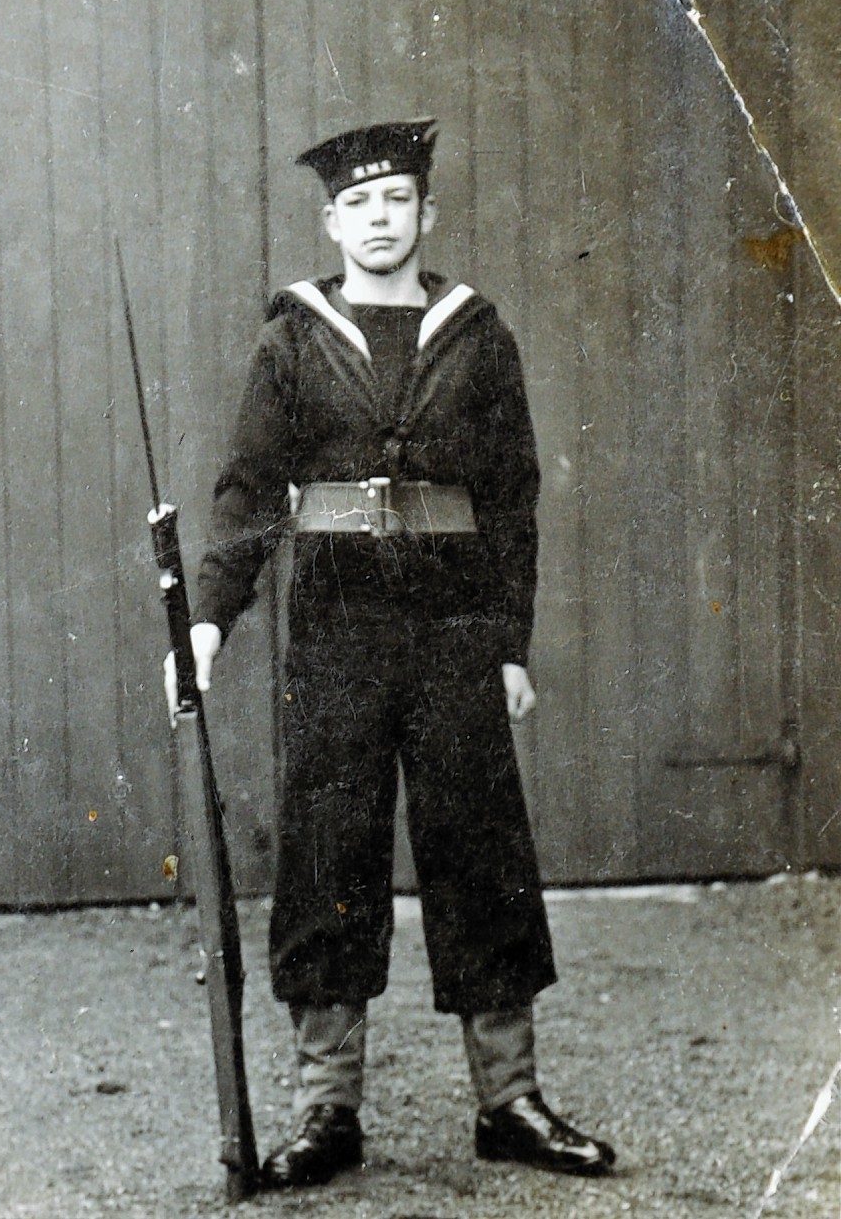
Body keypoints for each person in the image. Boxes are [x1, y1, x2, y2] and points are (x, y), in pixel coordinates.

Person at [179, 119, 615, 1188]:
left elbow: (513, 500)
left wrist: (509, 641)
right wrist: (207, 621)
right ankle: (327, 1110)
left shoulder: (478, 334)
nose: (380, 221)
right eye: (359, 206)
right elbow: (246, 490)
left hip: (456, 623)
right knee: (330, 849)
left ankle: (508, 1099)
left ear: (428, 214)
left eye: (398, 202)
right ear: (332, 222)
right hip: (335, 623)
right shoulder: (293, 337)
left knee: (481, 847)